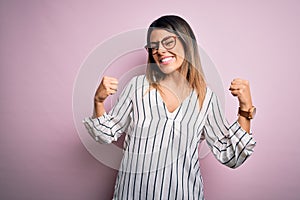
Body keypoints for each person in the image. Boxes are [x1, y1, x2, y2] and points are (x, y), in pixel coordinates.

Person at [83, 15, 256, 200]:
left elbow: (229, 155)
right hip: (131, 194)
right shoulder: (137, 87)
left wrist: (245, 109)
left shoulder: (205, 99)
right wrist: (98, 101)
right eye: (154, 47)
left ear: (186, 43)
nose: (160, 51)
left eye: (168, 42)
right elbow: (104, 134)